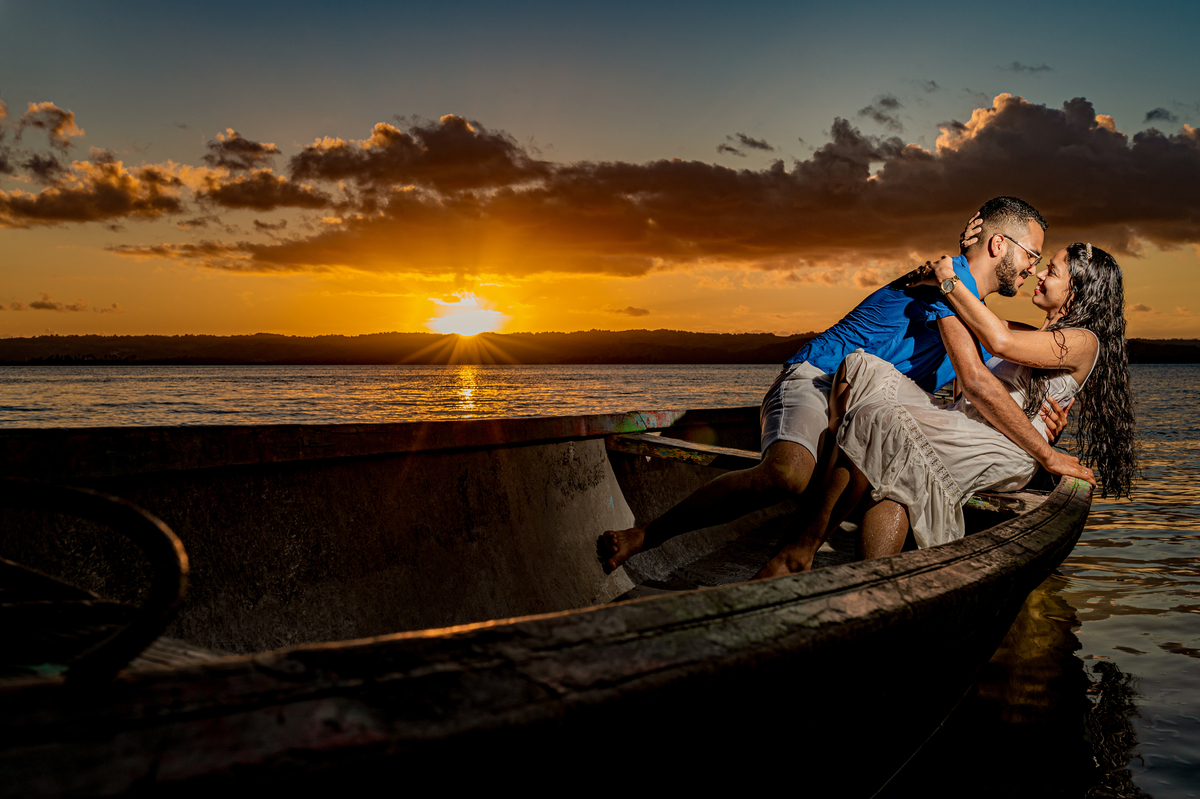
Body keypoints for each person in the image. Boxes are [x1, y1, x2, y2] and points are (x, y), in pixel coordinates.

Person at [599, 197, 1091, 572]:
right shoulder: (942, 280)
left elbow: (1011, 368)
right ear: (998, 245)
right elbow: (978, 382)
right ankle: (649, 535)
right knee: (789, 474)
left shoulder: (976, 319)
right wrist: (1044, 455)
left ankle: (821, 568)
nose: (1033, 268)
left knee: (886, 446)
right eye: (1032, 254)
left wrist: (1047, 420)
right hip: (819, 378)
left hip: (866, 408)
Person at [756, 241, 1136, 576]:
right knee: (865, 369)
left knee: (880, 423)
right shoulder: (1031, 334)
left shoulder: (1084, 341)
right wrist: (938, 281)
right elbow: (978, 326)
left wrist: (948, 281)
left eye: (1051, 270)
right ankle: (865, 578)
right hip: (968, 425)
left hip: (1005, 446)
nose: (1038, 274)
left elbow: (998, 343)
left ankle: (801, 550)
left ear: (1077, 288)